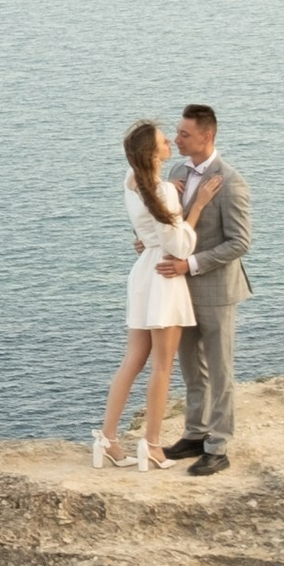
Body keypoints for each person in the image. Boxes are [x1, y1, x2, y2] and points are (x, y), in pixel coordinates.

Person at [95, 120, 227, 473]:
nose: (170, 141)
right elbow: (179, 244)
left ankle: (107, 438)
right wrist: (196, 207)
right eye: (162, 140)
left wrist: (168, 189)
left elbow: (151, 222)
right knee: (162, 367)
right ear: (152, 154)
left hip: (142, 273)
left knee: (132, 360)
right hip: (164, 277)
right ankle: (151, 446)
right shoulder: (163, 192)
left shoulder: (131, 180)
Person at [154, 103, 253, 477]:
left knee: (221, 370)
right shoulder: (177, 172)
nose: (176, 139)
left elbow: (239, 242)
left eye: (184, 134)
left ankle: (218, 445)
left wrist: (189, 264)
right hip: (179, 290)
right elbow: (169, 224)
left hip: (216, 290)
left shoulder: (231, 181)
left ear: (206, 136)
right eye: (177, 133)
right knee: (191, 368)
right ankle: (195, 433)